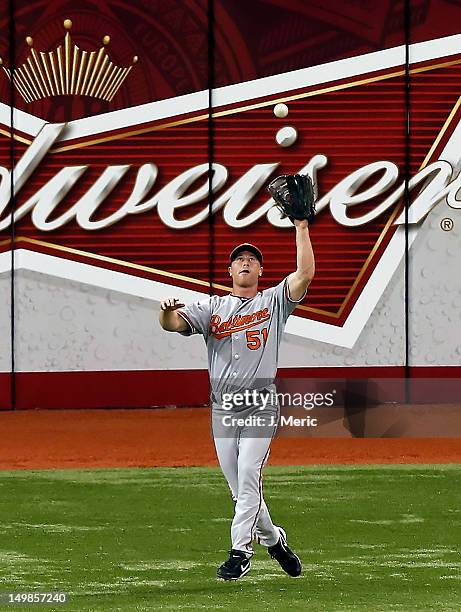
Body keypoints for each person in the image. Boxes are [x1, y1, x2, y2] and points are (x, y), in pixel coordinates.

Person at [159, 218, 315, 580]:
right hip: (223, 408)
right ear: (229, 270)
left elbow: (305, 273)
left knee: (248, 474)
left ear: (261, 269)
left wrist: (302, 226)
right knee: (240, 488)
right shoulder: (212, 308)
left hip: (262, 403)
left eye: (252, 258)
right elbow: (172, 325)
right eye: (239, 259)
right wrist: (166, 310)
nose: (245, 262)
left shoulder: (274, 301)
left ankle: (239, 552)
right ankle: (275, 541)